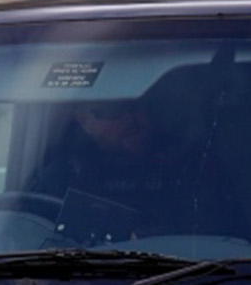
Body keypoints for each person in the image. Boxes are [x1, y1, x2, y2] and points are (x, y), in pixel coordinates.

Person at [31, 100, 236, 243]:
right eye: (113, 111)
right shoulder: (60, 178)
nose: (131, 120)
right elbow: (28, 239)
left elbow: (218, 242)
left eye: (138, 107)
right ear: (84, 121)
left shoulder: (189, 167)